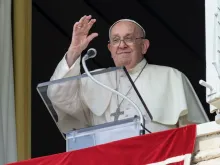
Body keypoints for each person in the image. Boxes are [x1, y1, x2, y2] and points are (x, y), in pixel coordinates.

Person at [47, 15, 209, 133]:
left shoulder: (171, 77)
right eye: (116, 40)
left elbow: (197, 133)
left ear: (144, 46)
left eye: (129, 38)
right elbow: (58, 97)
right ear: (110, 49)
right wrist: (74, 51)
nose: (122, 45)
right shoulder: (94, 79)